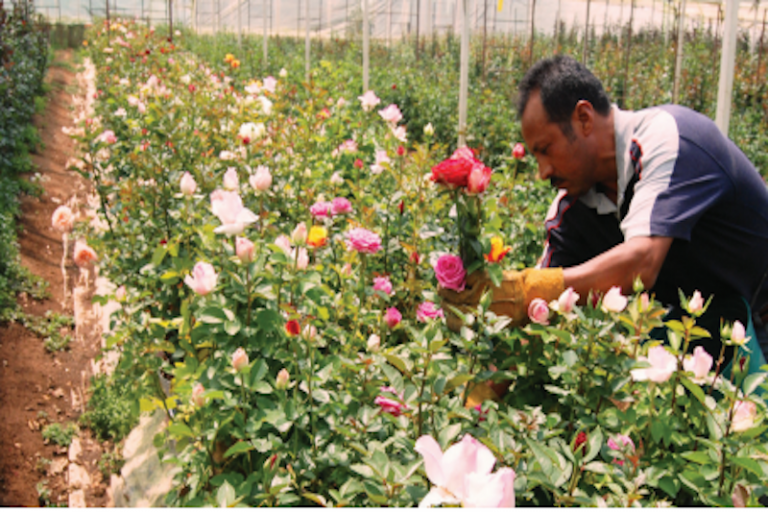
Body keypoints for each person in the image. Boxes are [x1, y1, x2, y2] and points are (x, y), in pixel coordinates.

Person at [441, 55, 768, 401]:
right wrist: (474, 405)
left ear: (583, 118)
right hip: (709, 329)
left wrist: (525, 291)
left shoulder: (669, 139)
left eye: (546, 150)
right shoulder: (573, 207)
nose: (541, 171)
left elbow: (641, 262)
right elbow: (541, 315)